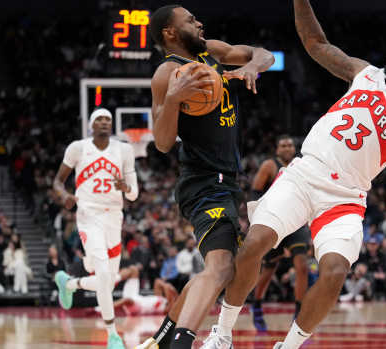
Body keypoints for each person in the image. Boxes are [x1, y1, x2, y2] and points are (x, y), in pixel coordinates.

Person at [204, 0, 386, 347]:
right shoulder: (365, 73)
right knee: (255, 243)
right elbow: (316, 44)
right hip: (305, 174)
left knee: (335, 272)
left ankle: (288, 346)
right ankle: (223, 333)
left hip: (346, 197)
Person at [136, 5, 274, 349]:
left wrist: (253, 66)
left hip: (227, 182)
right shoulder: (168, 73)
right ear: (170, 32)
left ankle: (161, 341)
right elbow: (164, 142)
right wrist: (172, 100)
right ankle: (182, 342)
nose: (199, 23)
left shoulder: (211, 51)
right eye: (190, 20)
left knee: (228, 266)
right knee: (222, 265)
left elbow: (263, 53)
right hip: (203, 182)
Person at [52, 107, 139, 349]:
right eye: (99, 119)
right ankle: (113, 334)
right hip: (88, 215)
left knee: (108, 282)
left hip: (114, 217)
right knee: (101, 273)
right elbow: (57, 182)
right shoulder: (78, 148)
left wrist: (126, 188)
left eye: (107, 119)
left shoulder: (124, 150)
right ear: (91, 125)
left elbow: (134, 194)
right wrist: (64, 196)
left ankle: (69, 283)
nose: (104, 122)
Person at [249, 135, 310, 331]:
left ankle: (299, 313)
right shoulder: (269, 165)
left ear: (294, 148)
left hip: (296, 222)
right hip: (274, 221)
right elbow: (255, 192)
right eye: (282, 145)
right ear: (277, 149)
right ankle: (256, 304)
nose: (286, 148)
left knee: (302, 265)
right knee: (268, 270)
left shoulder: (302, 165)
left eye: (290, 145)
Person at [112, 265, 178, 316]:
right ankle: (115, 279)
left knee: (127, 300)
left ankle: (104, 309)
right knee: (134, 269)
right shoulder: (161, 298)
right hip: (135, 296)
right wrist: (166, 286)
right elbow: (157, 282)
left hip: (135, 307)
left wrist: (171, 291)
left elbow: (169, 291)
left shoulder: (167, 309)